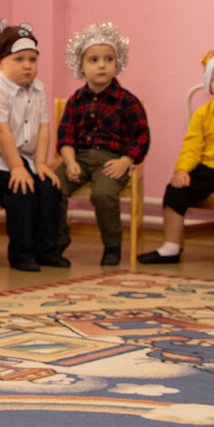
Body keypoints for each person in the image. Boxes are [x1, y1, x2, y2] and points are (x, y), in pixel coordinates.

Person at [139, 51, 214, 271]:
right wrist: (182, 170)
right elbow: (192, 147)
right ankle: (170, 248)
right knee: (175, 191)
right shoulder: (201, 114)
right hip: (207, 167)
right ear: (209, 84)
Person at [0, 25, 69, 272]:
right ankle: (21, 253)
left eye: (32, 59)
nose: (27, 65)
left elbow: (44, 127)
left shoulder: (38, 88)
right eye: (19, 59)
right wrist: (17, 168)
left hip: (24, 159)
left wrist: (40, 164)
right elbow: (1, 131)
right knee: (22, 191)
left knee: (49, 189)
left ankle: (47, 250)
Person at [55, 22, 148, 267]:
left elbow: (141, 136)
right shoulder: (76, 100)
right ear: (81, 67)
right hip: (78, 157)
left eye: (108, 59)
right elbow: (65, 135)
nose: (102, 65)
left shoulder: (127, 101)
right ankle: (56, 242)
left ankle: (112, 245)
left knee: (103, 194)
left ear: (117, 65)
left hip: (111, 161)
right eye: (94, 60)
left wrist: (125, 161)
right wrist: (70, 160)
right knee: (52, 188)